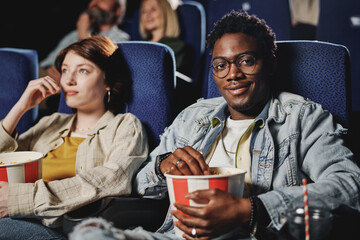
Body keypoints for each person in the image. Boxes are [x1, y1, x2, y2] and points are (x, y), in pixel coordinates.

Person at [69, 11, 360, 240]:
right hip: (178, 236)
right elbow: (139, 183)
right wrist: (162, 167)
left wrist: (249, 210)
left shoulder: (304, 117)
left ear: (269, 64)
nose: (233, 74)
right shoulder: (193, 117)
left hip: (253, 236)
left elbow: (349, 186)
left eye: (246, 61)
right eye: (221, 65)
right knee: (88, 234)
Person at [0, 35, 148, 239]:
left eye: (83, 71)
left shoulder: (124, 126)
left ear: (108, 81)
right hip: (14, 219)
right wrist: (20, 108)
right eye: (65, 70)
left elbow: (113, 180)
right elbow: (4, 160)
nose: (68, 80)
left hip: (58, 227)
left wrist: (20, 199)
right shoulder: (50, 122)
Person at [39, 0, 129, 82]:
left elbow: (92, 70)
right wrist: (49, 68)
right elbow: (48, 61)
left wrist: (82, 33)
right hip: (47, 79)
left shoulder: (120, 39)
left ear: (117, 10)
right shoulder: (74, 34)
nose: (94, 3)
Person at [139, 0, 191, 78]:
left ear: (165, 12)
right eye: (144, 11)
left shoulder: (177, 46)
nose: (147, 14)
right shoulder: (139, 46)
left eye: (153, 9)